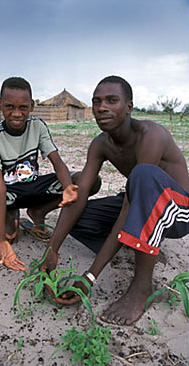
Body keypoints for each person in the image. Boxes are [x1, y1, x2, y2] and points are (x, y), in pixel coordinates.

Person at [41, 75, 189, 325]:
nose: (102, 107)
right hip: (142, 200)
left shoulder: (151, 135)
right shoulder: (100, 144)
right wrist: (52, 248)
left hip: (179, 212)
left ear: (129, 107)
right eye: (96, 102)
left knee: (142, 175)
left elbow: (131, 205)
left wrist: (89, 277)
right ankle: (134, 246)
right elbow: (79, 194)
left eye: (112, 100)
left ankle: (141, 287)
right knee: (80, 217)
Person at [0, 77, 100, 271]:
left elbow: (56, 161)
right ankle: (10, 216)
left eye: (23, 108)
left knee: (88, 181)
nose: (16, 114)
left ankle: (38, 212)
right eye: (9, 107)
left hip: (34, 186)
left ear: (32, 106)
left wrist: (68, 187)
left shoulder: (37, 126)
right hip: (8, 192)